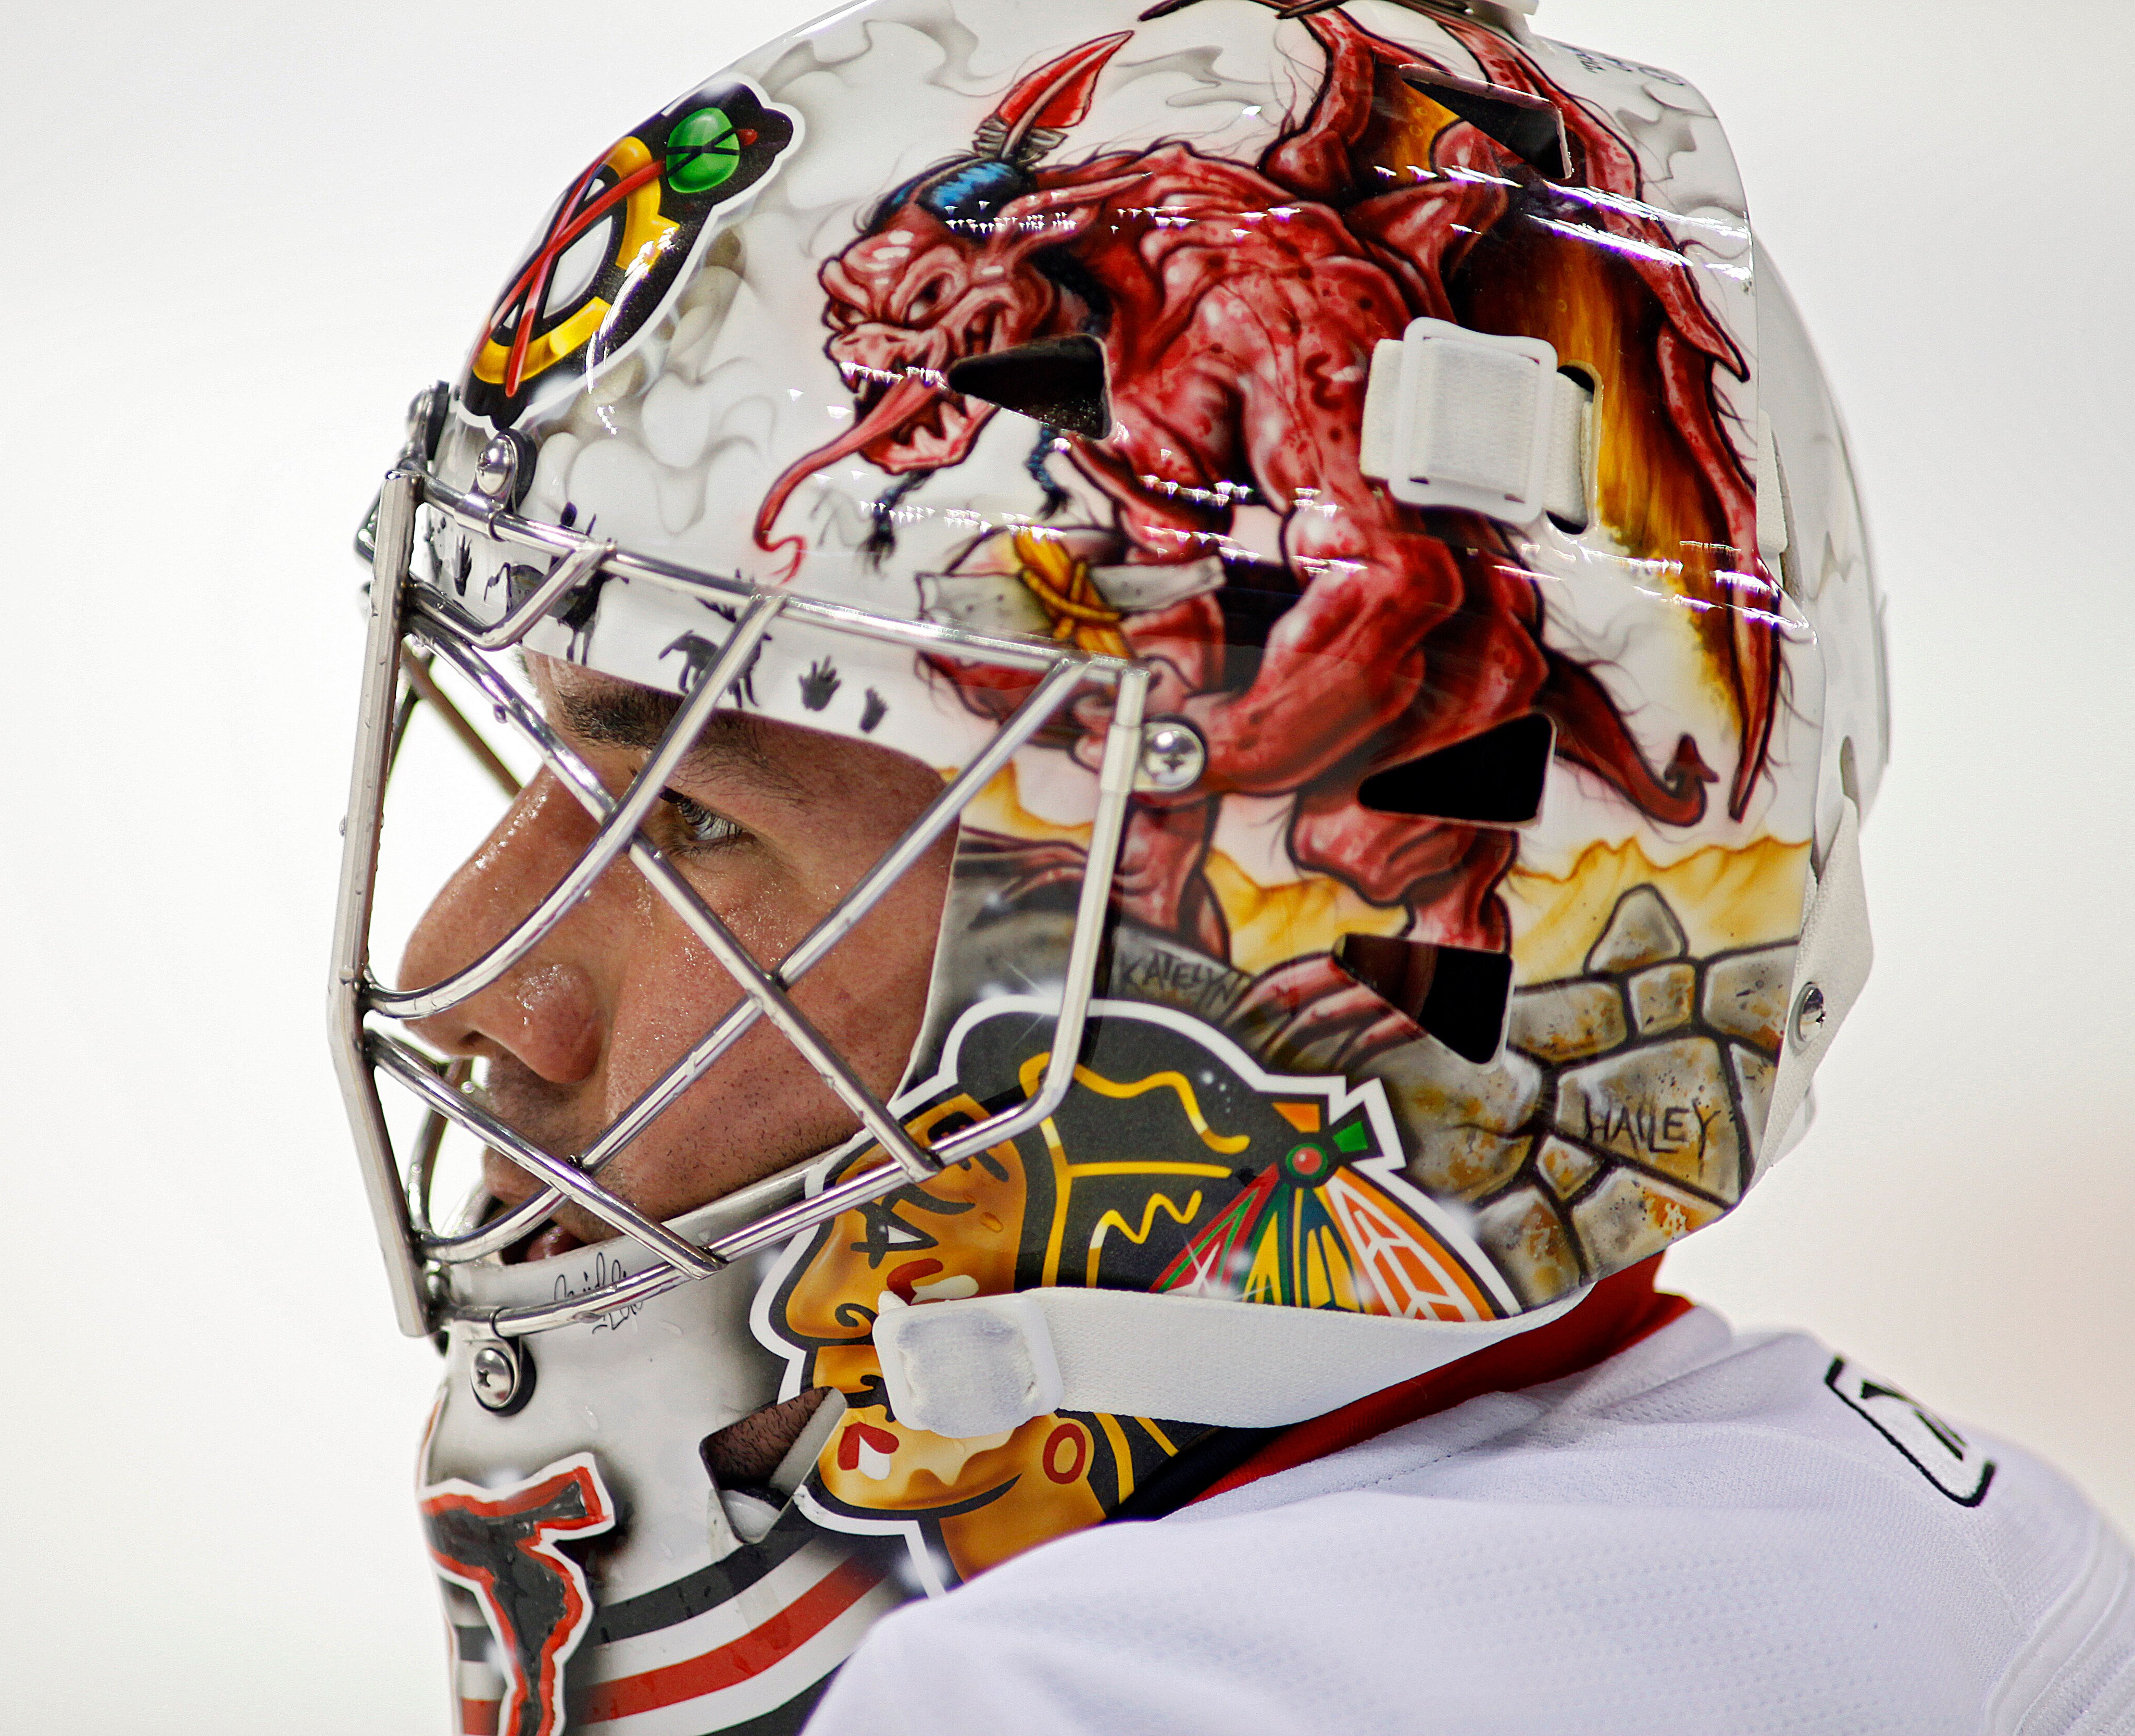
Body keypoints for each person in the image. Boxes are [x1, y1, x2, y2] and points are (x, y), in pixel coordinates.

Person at [328, 2, 2135, 1731]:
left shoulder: (1090, 1700)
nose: (479, 965)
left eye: (706, 821)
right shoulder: (1970, 1577)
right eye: (571, 771)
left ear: (1340, 975)